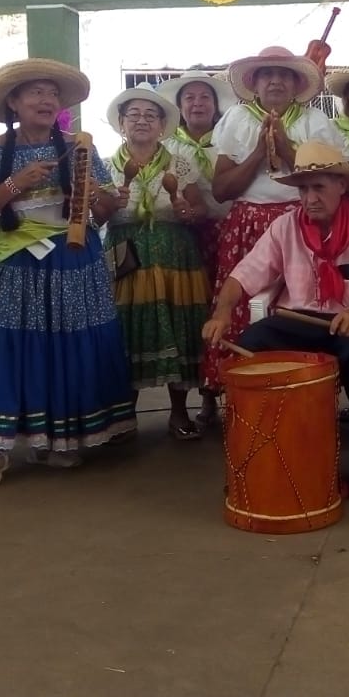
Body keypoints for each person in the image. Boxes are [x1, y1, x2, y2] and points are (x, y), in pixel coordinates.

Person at [0, 58, 136, 489]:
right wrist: (16, 183)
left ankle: (56, 442)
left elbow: (102, 212)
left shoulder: (81, 148)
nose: (47, 100)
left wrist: (101, 197)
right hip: (17, 262)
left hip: (75, 260)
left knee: (65, 350)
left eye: (53, 93)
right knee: (3, 346)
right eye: (36, 92)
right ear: (13, 102)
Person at [202, 140, 349, 499]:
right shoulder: (285, 226)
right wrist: (221, 312)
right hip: (298, 320)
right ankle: (259, 460)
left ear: (341, 186)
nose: (309, 198)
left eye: (318, 187)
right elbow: (243, 275)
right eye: (303, 189)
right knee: (250, 346)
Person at [203, 47, 342, 400]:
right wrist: (257, 153)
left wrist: (284, 145)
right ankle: (239, 396)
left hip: (303, 225)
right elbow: (221, 191)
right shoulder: (237, 118)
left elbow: (326, 179)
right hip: (247, 224)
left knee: (300, 307)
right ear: (254, 82)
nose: (275, 81)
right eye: (267, 74)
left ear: (297, 84)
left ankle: (303, 393)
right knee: (240, 306)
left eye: (284, 74)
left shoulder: (314, 121)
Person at [102, 84, 210, 439]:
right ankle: (123, 416)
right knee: (126, 329)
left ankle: (179, 413)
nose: (142, 121)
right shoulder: (106, 168)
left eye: (151, 115)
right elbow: (92, 218)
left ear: (163, 126)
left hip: (175, 256)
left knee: (179, 327)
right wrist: (109, 206)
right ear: (121, 123)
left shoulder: (179, 163)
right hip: (125, 255)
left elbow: (200, 210)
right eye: (134, 114)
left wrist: (187, 211)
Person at [158, 71, 236, 426]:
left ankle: (222, 392)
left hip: (227, 234)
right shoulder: (167, 148)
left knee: (225, 311)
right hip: (185, 238)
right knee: (193, 314)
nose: (197, 103)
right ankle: (197, 396)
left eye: (205, 97)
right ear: (179, 106)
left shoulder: (228, 139)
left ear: (216, 105)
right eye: (189, 97)